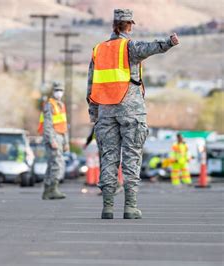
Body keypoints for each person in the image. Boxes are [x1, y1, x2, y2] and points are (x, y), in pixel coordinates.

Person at [86, 9, 179, 219]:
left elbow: (90, 85)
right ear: (129, 25)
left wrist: (94, 113)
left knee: (108, 158)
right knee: (132, 157)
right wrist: (170, 42)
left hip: (105, 112)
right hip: (131, 111)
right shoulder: (130, 47)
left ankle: (107, 208)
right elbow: (152, 47)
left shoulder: (98, 50)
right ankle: (130, 207)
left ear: (113, 25)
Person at [38, 82, 70, 200]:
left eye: (61, 90)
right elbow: (47, 125)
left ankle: (47, 190)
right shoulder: (49, 105)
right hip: (53, 137)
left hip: (60, 137)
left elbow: (64, 125)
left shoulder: (61, 105)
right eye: (57, 90)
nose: (59, 92)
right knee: (57, 163)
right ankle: (53, 188)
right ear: (53, 91)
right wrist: (52, 140)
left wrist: (66, 142)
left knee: (52, 164)